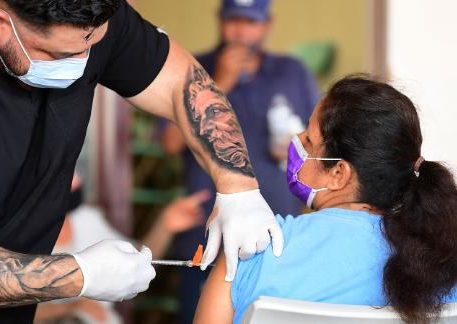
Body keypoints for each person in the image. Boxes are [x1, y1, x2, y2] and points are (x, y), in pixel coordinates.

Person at [0, 0, 284, 323]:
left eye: (91, 46)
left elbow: (181, 82)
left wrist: (239, 188)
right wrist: (79, 275)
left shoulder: (85, 11)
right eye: (60, 54)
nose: (83, 62)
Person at [194, 76, 457, 324]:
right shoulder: (443, 258)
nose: (296, 141)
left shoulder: (251, 251)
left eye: (309, 140)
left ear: (338, 174)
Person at [159, 0, 318, 321]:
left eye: (251, 22)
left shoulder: (291, 72)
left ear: (267, 25)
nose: (241, 32)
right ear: (220, 20)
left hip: (278, 227)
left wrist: (290, 149)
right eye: (234, 21)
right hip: (206, 227)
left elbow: (315, 145)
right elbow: (170, 143)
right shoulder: (193, 67)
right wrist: (220, 82)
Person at [34, 176, 210, 323]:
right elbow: (12, 306)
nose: (76, 178)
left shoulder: (86, 219)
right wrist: (71, 308)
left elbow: (135, 262)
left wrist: (165, 225)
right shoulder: (26, 241)